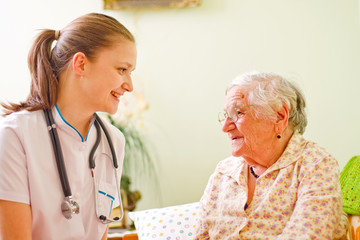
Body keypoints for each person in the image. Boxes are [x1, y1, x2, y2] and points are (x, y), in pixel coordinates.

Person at [0, 13, 137, 239]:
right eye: (122, 69)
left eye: (130, 73)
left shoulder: (113, 142)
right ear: (81, 64)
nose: (129, 85)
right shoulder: (15, 136)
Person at [194, 72, 348, 239]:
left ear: (279, 117)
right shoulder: (224, 172)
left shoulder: (316, 164)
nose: (225, 127)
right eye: (226, 115)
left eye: (237, 113)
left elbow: (309, 235)